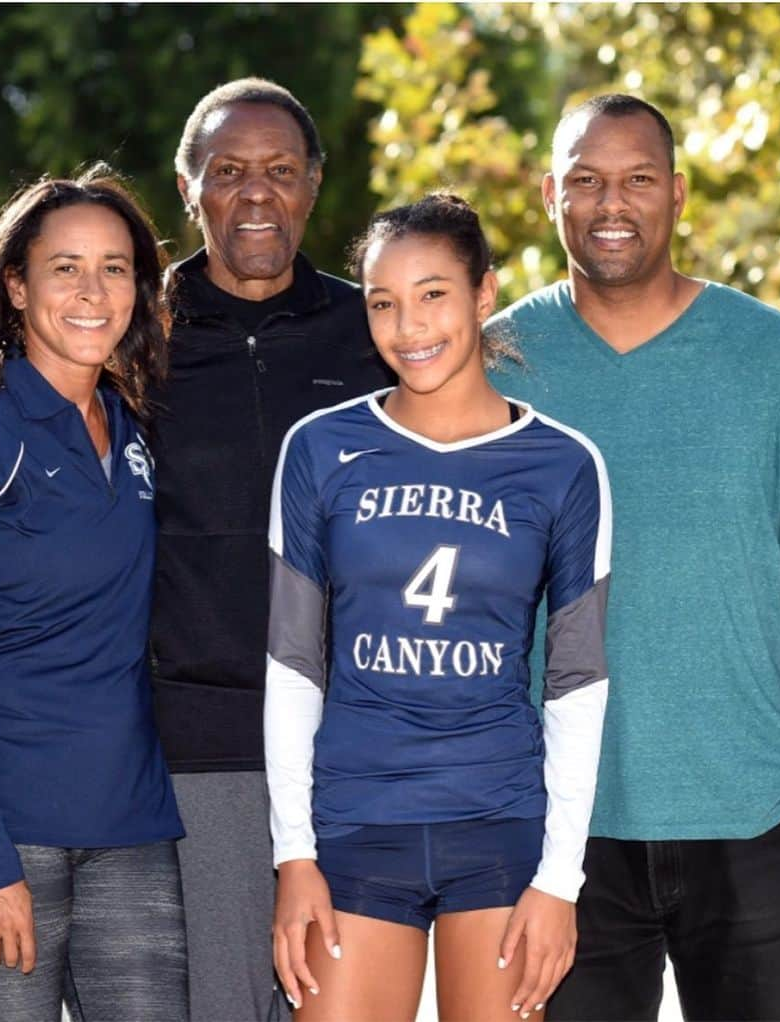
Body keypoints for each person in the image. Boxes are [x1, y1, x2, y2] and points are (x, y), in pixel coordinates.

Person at [486, 94, 780, 1021]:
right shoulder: (495, 366)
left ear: (678, 194)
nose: (613, 203)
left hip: (755, 812)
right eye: (587, 180)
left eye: (639, 179)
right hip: (562, 827)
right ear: (549, 193)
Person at [265, 193, 612, 1022]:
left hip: (496, 824)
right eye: (383, 303)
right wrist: (293, 856)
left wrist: (559, 880)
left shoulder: (564, 466)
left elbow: (576, 687)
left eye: (433, 295)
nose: (408, 325)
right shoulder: (320, 449)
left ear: (484, 294)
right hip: (353, 823)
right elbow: (291, 666)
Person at [0, 166, 188, 1022]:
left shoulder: (132, 429)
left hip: (130, 820)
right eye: (65, 268)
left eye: (115, 266)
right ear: (17, 286)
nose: (93, 292)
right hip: (0, 828)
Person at [148, 77, 394, 1022]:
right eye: (229, 171)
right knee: (226, 1003)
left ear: (315, 185)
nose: (257, 193)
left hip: (354, 744)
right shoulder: (137, 333)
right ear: (188, 187)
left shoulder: (370, 329)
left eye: (280, 171)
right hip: (200, 748)